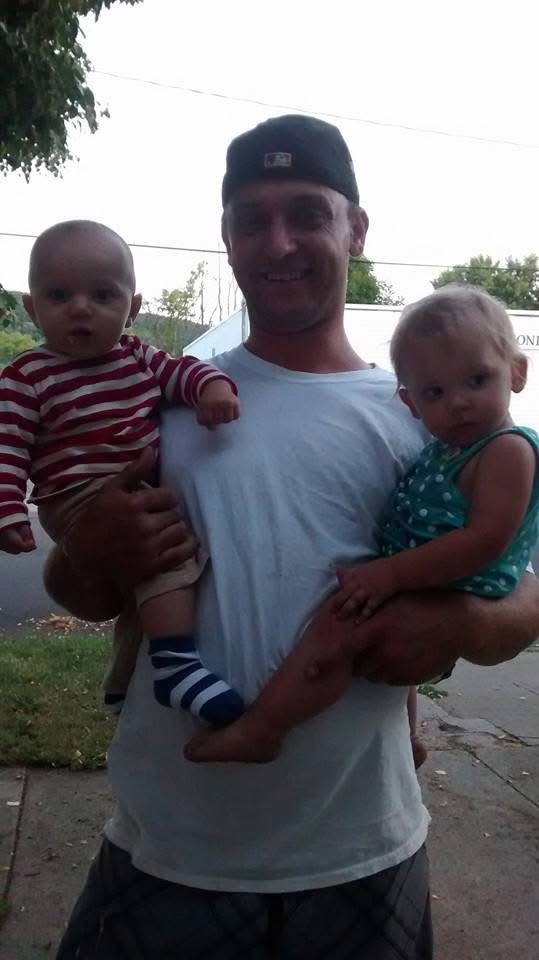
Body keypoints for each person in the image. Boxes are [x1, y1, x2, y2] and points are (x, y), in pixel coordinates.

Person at [46, 115, 539, 959]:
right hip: (172, 841)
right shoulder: (162, 401)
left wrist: (462, 621)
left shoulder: (427, 412)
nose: (277, 242)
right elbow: (78, 591)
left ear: (356, 228)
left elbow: (518, 585)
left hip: (360, 843)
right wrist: (89, 548)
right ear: (227, 240)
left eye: (307, 212)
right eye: (252, 219)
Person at [182, 285, 539, 765]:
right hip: (426, 573)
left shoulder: (507, 449)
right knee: (377, 648)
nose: (458, 402)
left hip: (446, 579)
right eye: (436, 392)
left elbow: (487, 541)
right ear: (410, 403)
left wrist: (392, 575)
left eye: (477, 379)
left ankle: (264, 728)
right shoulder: (448, 445)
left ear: (516, 372)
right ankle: (408, 736)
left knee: (339, 629)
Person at [0, 220, 244, 723]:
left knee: (144, 585)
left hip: (133, 490)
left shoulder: (139, 357)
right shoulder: (26, 376)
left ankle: (123, 683)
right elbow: (7, 447)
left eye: (102, 294)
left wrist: (213, 387)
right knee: (168, 560)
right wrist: (8, 511)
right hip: (74, 495)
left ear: (132, 307)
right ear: (32, 308)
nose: (81, 308)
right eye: (59, 295)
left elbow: (183, 371)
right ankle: (177, 667)